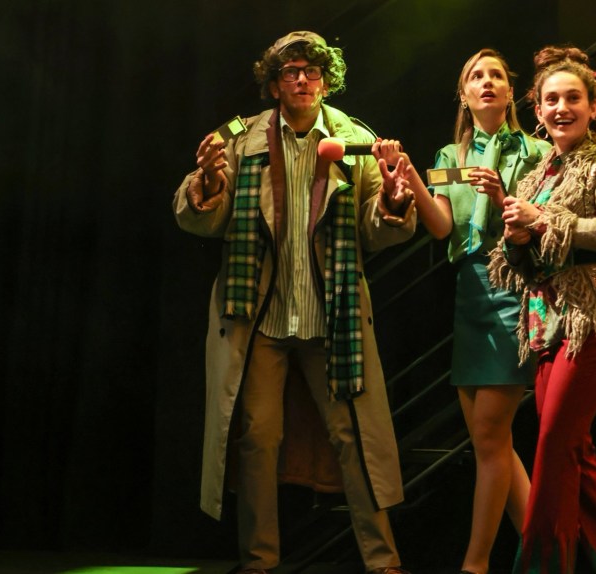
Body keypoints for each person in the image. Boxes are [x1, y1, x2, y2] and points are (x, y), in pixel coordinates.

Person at [172, 30, 415, 574]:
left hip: (334, 317)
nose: (302, 80)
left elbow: (376, 226)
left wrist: (394, 201)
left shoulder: (355, 139)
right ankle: (258, 561)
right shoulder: (242, 138)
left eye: (311, 71)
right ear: (274, 83)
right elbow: (201, 216)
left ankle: (384, 563)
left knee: (355, 438)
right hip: (261, 316)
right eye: (290, 72)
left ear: (326, 81)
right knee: (257, 438)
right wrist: (205, 182)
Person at [373, 49, 551, 574]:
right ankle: (546, 556)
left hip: (512, 285)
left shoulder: (538, 152)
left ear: (510, 91)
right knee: (492, 444)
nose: (487, 81)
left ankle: (475, 565)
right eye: (476, 76)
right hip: (470, 295)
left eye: (496, 75)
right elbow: (442, 228)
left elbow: (539, 223)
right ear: (464, 93)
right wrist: (410, 176)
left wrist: (501, 196)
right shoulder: (451, 155)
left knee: (492, 440)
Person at [486, 54, 596, 574]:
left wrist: (542, 219)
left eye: (572, 98)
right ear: (539, 112)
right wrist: (517, 238)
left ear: (592, 107)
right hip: (550, 325)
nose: (561, 108)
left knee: (552, 446)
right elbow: (523, 263)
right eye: (551, 100)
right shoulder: (537, 174)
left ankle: (539, 566)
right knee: (572, 453)